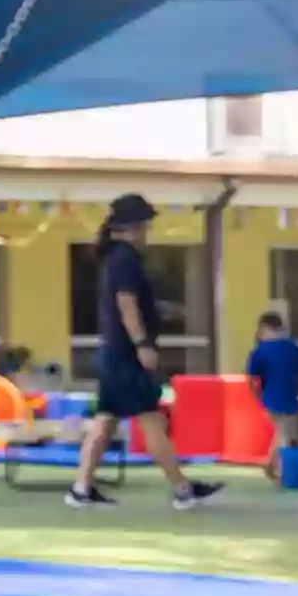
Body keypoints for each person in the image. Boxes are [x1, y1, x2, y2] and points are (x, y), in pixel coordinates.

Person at [66, 194, 223, 511]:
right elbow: (126, 303)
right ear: (131, 228)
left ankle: (81, 488)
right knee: (150, 419)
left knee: (105, 421)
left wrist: (160, 310)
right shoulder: (124, 258)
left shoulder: (115, 257)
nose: (147, 233)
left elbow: (129, 302)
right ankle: (182, 490)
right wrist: (142, 344)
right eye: (144, 226)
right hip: (126, 355)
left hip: (114, 353)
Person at [245, 311, 298, 481]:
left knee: (283, 434)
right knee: (285, 435)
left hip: (270, 399)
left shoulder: (260, 350)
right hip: (290, 398)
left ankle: (274, 467)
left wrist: (257, 396)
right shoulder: (292, 347)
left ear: (263, 329)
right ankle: (275, 468)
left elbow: (251, 379)